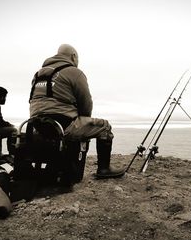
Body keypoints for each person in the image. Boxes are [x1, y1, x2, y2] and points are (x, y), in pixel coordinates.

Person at [29, 44, 125, 179]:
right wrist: (84, 122)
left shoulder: (39, 74)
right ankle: (104, 169)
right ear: (73, 56)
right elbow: (86, 103)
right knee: (105, 127)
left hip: (37, 125)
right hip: (63, 126)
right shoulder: (74, 72)